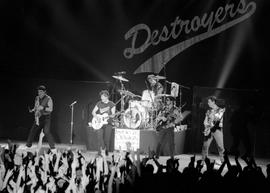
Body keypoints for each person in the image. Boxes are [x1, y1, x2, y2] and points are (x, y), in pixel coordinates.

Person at [20, 85, 56, 152]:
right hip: (39, 117)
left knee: (46, 131)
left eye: (41, 91)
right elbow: (36, 106)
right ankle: (28, 145)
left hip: (46, 118)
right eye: (38, 91)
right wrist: (33, 110)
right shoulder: (37, 98)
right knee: (32, 130)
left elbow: (50, 109)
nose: (39, 93)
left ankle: (53, 148)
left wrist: (43, 108)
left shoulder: (48, 98)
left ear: (45, 92)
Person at [201, 96, 225, 165]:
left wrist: (209, 127)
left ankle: (223, 160)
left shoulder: (220, 110)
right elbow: (205, 120)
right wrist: (206, 126)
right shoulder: (208, 110)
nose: (208, 103)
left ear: (213, 102)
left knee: (220, 146)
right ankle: (204, 159)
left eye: (209, 102)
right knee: (205, 145)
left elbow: (216, 121)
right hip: (209, 129)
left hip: (217, 129)